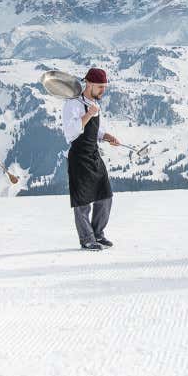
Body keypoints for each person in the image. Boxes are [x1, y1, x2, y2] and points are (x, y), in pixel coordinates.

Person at [63, 67, 121, 251]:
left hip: (94, 155)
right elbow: (70, 133)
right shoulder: (72, 104)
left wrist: (106, 136)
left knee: (105, 195)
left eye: (104, 87)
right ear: (89, 84)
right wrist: (88, 114)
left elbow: (94, 130)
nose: (103, 90)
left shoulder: (94, 103)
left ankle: (98, 234)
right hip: (79, 157)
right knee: (82, 201)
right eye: (100, 86)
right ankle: (87, 239)